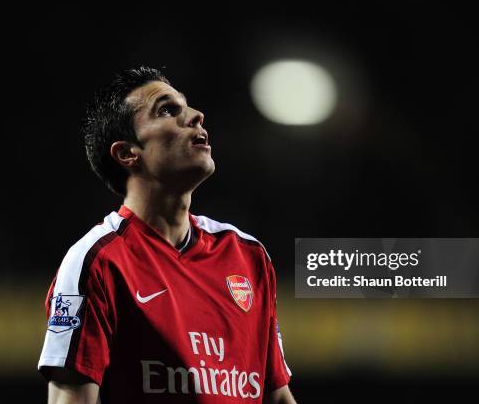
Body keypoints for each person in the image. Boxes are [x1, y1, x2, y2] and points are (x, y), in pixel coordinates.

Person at [37, 66, 295, 403]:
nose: (196, 116)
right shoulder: (97, 262)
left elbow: (276, 395)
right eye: (167, 110)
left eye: (186, 106)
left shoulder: (247, 255)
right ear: (128, 153)